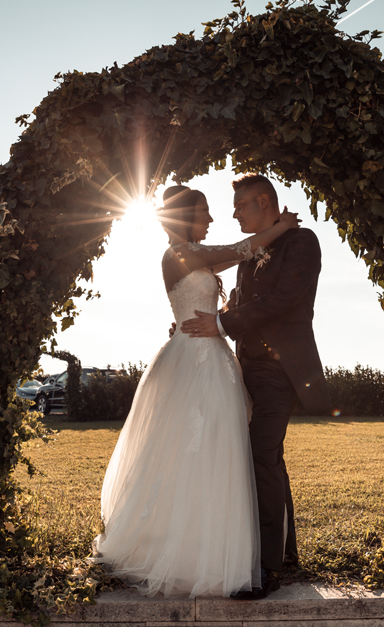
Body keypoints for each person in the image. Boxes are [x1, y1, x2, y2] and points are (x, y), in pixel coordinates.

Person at [93, 185, 299, 598]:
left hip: (215, 358)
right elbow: (243, 249)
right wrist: (283, 226)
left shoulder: (195, 256)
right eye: (204, 213)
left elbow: (233, 262)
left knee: (221, 452)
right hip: (194, 362)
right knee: (191, 449)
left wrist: (218, 317)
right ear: (185, 217)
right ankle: (185, 551)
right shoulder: (178, 254)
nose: (210, 220)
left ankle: (224, 545)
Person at [181, 174, 330, 600]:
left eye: (241, 205)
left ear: (263, 200)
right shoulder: (256, 249)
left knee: (260, 456)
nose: (233, 213)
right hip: (244, 369)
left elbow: (281, 299)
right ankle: (285, 552)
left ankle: (265, 571)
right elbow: (241, 303)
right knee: (266, 458)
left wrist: (223, 324)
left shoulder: (302, 243)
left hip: (280, 370)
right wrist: (201, 321)